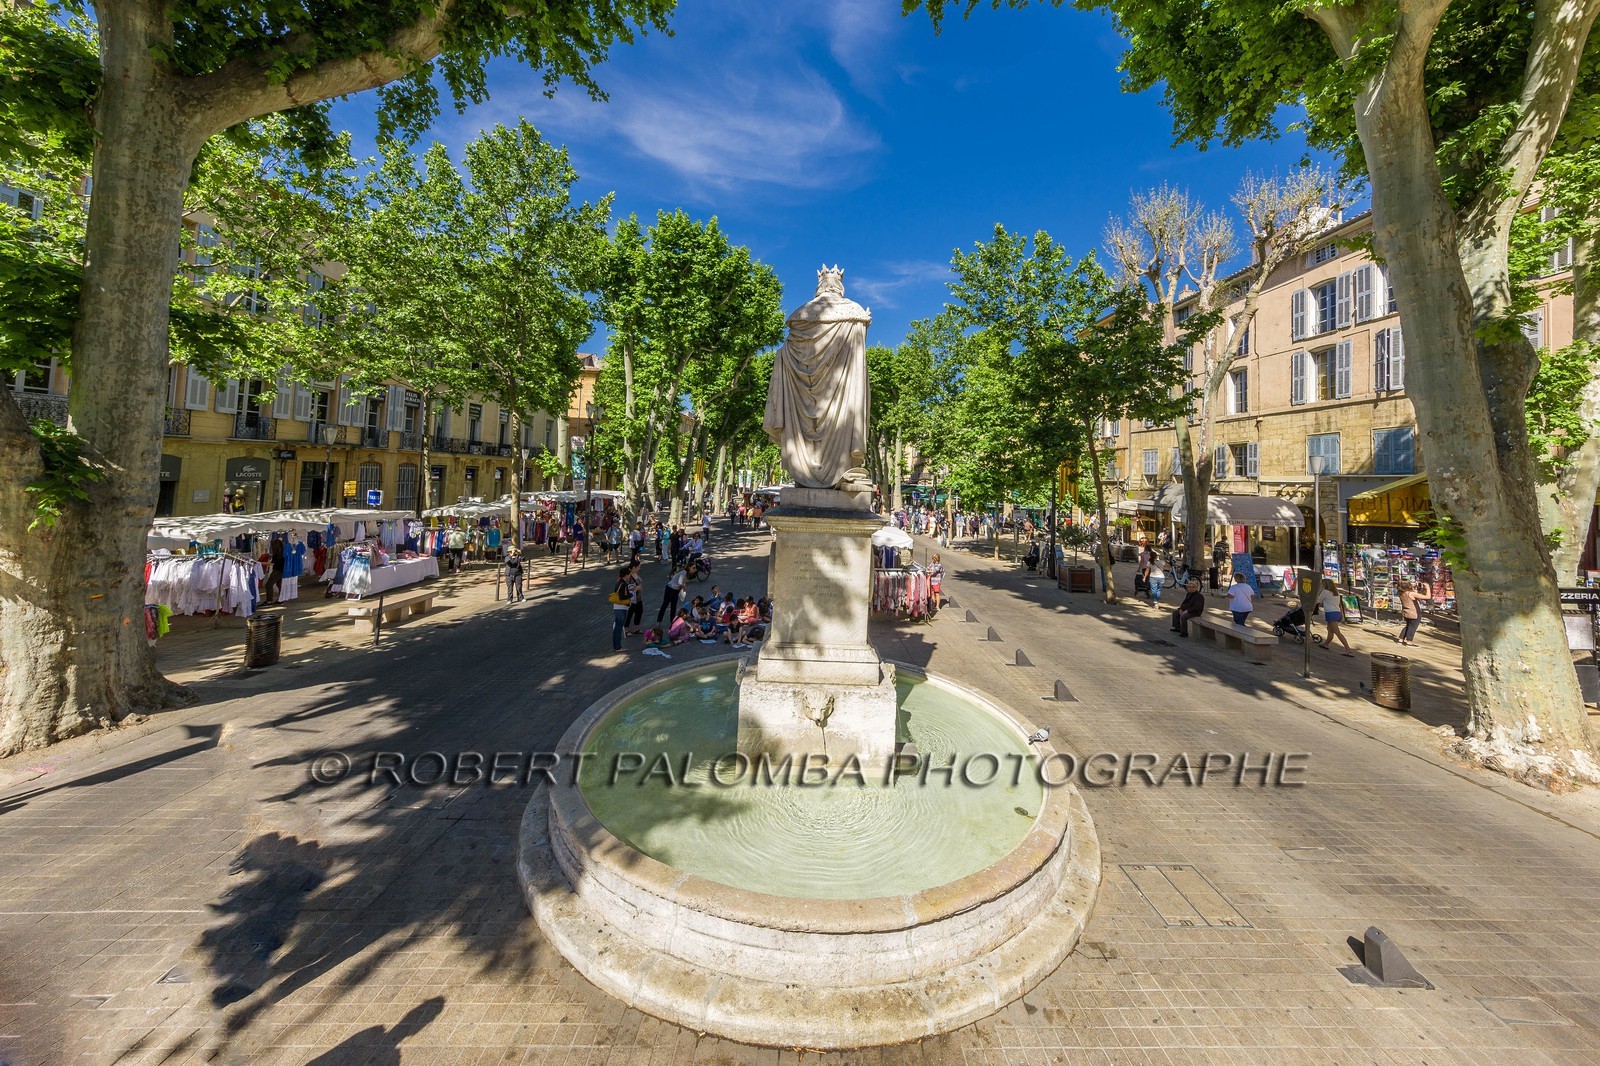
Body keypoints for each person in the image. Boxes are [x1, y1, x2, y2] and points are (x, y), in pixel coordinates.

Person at [1315, 582, 1355, 655]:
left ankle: (1348, 649)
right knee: (1330, 630)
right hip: (1337, 612)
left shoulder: (1325, 592)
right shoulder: (1336, 592)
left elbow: (1318, 600)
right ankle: (1326, 644)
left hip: (1330, 613)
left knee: (1337, 632)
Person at [1396, 579, 1430, 646]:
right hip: (1414, 612)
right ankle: (1409, 641)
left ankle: (1401, 639)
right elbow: (1427, 597)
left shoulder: (1400, 592)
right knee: (1412, 627)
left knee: (1408, 625)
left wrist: (1414, 587)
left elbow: (1408, 591)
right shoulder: (1411, 593)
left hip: (1406, 611)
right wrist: (1428, 588)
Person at [611, 565, 632, 651]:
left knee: (618, 627)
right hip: (621, 607)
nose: (630, 575)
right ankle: (617, 647)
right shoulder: (623, 584)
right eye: (629, 574)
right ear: (626, 575)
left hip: (617, 607)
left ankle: (617, 646)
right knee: (618, 628)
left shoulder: (619, 582)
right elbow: (623, 596)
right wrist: (631, 593)